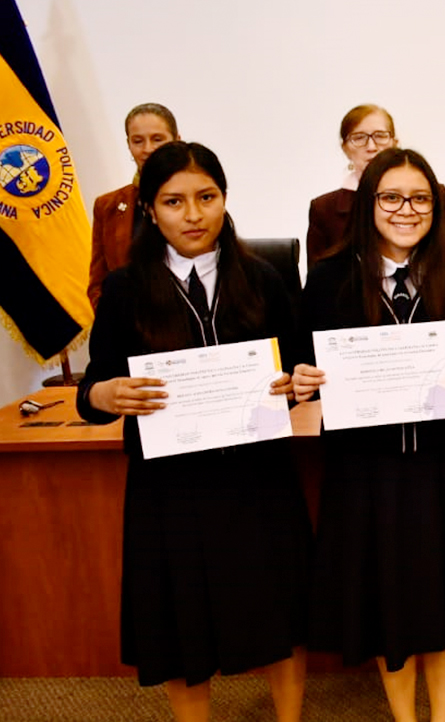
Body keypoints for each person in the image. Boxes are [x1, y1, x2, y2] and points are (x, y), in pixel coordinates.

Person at [75, 142, 310, 722]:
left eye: (206, 197)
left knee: (282, 615)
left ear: (224, 200)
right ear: (151, 211)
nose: (193, 214)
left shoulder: (264, 277)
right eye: (174, 201)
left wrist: (300, 382)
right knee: (181, 628)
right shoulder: (126, 289)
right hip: (170, 489)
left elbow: (302, 364)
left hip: (258, 481)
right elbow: (93, 390)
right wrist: (105, 394)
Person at [292, 147, 445, 722]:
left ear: (437, 205)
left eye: (421, 198)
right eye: (391, 197)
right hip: (366, 470)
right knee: (387, 601)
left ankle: (444, 714)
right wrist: (304, 378)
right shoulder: (330, 278)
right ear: (368, 205)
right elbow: (304, 364)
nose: (407, 209)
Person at [306, 105, 445, 267]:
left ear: (394, 143)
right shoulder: (324, 208)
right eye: (359, 138)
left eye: (380, 136)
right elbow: (319, 278)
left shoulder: (434, 193)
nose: (372, 147)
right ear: (345, 148)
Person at [89, 103, 179, 308]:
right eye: (138, 141)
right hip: (129, 327)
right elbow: (97, 283)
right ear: (129, 145)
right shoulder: (107, 205)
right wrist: (113, 320)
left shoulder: (198, 197)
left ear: (177, 141)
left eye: (158, 139)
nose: (148, 149)